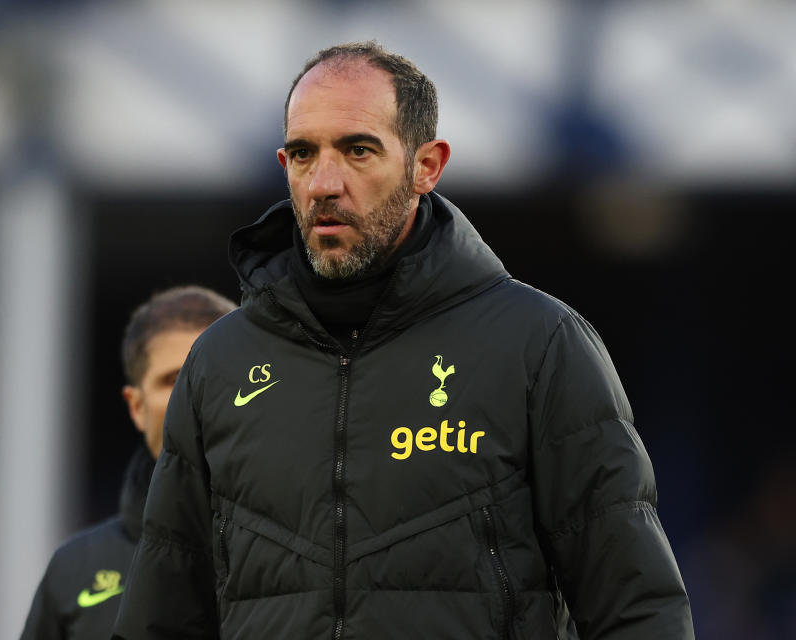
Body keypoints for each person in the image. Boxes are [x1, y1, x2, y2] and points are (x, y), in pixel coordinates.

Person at [112, 41, 694, 639]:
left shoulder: (539, 345)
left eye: (358, 150)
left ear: (427, 165)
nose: (324, 183)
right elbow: (162, 617)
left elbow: (636, 609)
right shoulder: (219, 362)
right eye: (303, 154)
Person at [20, 286, 236, 640]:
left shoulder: (302, 546)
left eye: (211, 373)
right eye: (172, 379)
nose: (192, 395)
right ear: (136, 406)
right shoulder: (74, 570)